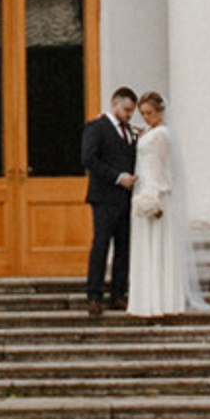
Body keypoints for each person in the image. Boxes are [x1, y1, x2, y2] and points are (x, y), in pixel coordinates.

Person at [125, 92, 210, 319]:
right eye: (143, 113)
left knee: (158, 245)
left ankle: (160, 299)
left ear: (160, 111)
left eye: (150, 113)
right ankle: (147, 299)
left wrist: (153, 195)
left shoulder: (162, 134)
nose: (146, 117)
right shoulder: (149, 132)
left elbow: (162, 167)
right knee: (147, 246)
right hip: (144, 188)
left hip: (156, 191)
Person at [79, 87, 138, 310]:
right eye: (125, 110)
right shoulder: (97, 127)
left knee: (123, 248)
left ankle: (118, 293)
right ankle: (94, 295)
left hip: (126, 198)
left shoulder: (130, 132)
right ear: (114, 104)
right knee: (101, 245)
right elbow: (88, 158)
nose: (128, 115)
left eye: (131, 111)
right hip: (104, 197)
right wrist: (117, 177)